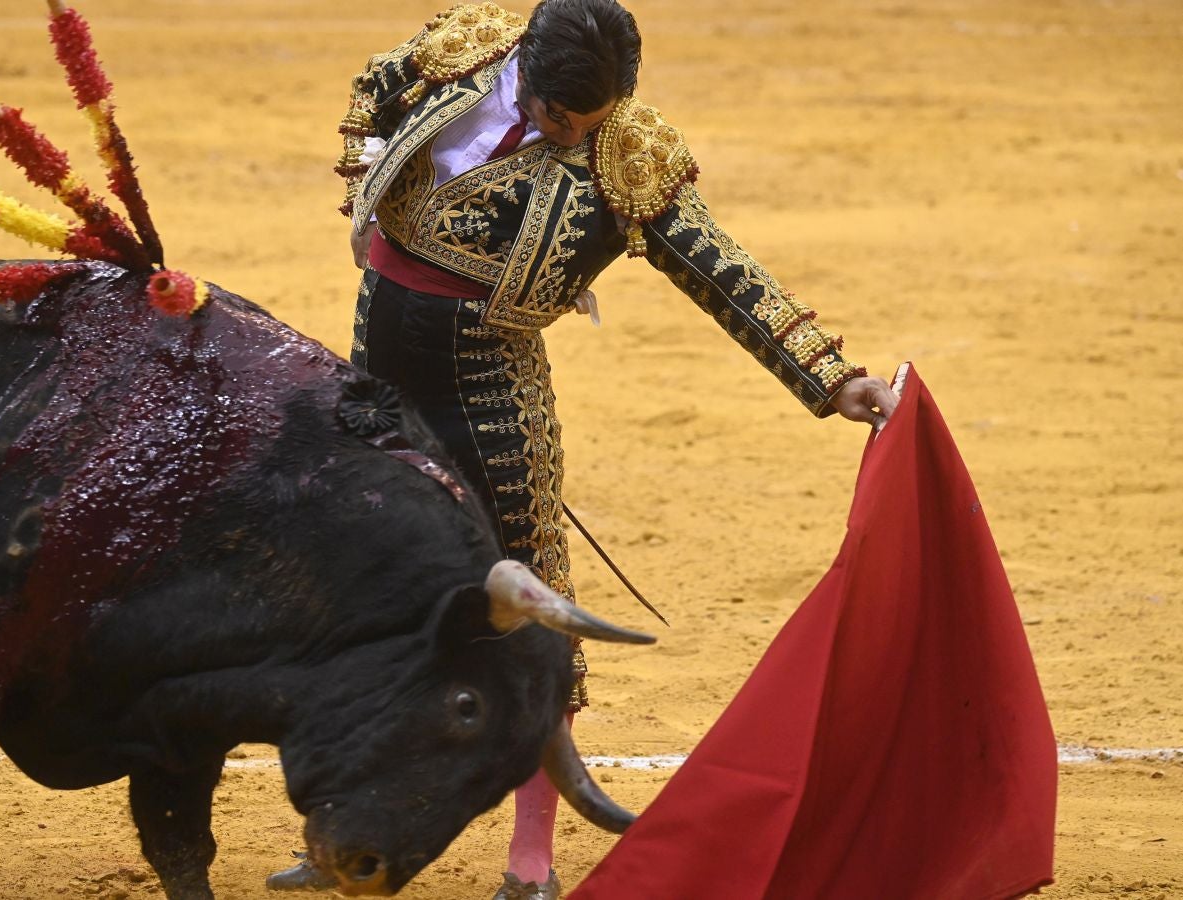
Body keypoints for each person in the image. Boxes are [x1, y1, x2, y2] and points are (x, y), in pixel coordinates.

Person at [271, 1, 898, 898]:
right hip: (376, 367)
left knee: (530, 610)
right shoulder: (466, 49)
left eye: (587, 122)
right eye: (560, 118)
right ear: (522, 64)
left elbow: (720, 269)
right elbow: (373, 88)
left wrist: (829, 376)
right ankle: (337, 821)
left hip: (488, 393)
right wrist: (361, 189)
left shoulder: (625, 152)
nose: (569, 136)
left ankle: (531, 863)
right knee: (357, 591)